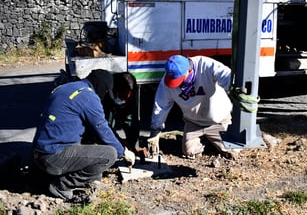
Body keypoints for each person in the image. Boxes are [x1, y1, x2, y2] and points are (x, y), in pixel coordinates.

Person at [32, 69, 135, 202]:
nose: (104, 95)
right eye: (105, 91)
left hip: (40, 153)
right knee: (109, 154)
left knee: (94, 154)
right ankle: (61, 186)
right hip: (53, 157)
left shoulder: (68, 87)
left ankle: (81, 180)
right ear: (101, 86)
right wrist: (123, 151)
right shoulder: (88, 97)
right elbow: (102, 129)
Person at [149, 55, 238, 159]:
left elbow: (227, 75)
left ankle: (212, 140)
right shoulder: (168, 80)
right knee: (189, 151)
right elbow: (161, 105)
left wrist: (235, 88)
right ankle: (207, 140)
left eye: (180, 79)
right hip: (193, 123)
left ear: (189, 70)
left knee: (232, 152)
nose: (178, 84)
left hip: (218, 121)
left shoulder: (205, 66)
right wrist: (155, 131)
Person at [103, 72, 149, 157]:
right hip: (107, 102)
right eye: (123, 96)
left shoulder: (131, 91)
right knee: (107, 124)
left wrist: (134, 146)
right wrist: (120, 143)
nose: (125, 99)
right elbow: (104, 125)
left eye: (128, 97)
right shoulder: (106, 90)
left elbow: (130, 120)